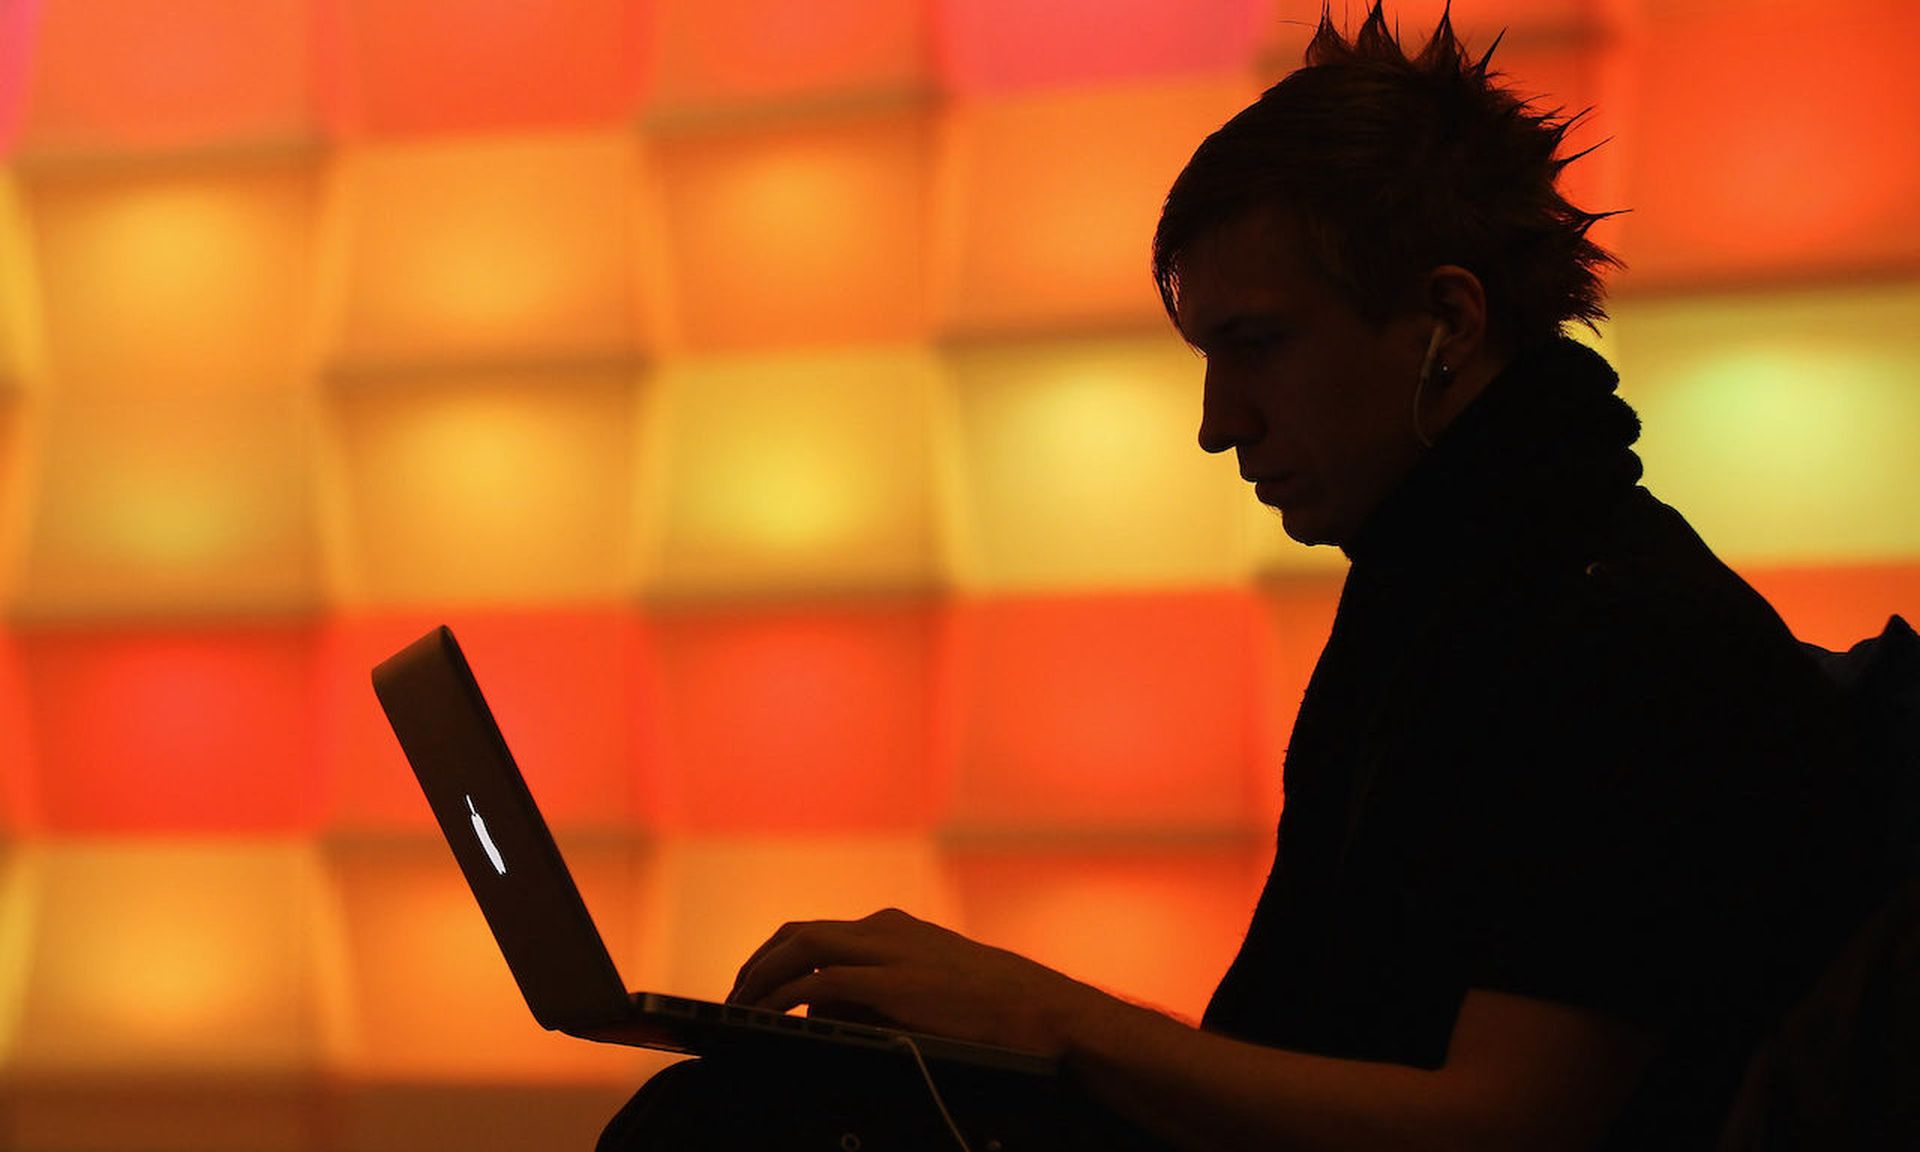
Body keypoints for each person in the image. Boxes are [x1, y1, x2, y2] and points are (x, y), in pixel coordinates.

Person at [615, 4, 1886, 1148]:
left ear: (1445, 321)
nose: (1222, 423)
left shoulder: (1623, 636)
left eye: (1258, 346)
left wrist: (1051, 1022)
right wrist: (998, 1030)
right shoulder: (1448, 589)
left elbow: (1510, 1128)